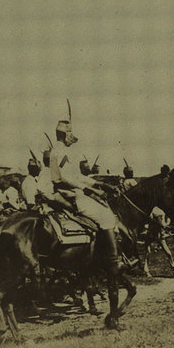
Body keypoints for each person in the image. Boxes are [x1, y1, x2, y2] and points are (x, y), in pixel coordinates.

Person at [49, 114, 124, 277]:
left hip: (73, 190)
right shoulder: (60, 151)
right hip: (67, 193)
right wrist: (90, 190)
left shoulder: (63, 150)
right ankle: (113, 261)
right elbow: (65, 178)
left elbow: (77, 176)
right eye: (69, 135)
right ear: (64, 134)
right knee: (106, 217)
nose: (71, 139)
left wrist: (100, 184)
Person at [142, 206, 174, 277]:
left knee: (168, 252)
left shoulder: (162, 211)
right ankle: (146, 270)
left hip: (159, 235)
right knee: (147, 252)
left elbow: (165, 222)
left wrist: (167, 225)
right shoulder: (152, 212)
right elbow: (159, 224)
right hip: (151, 234)